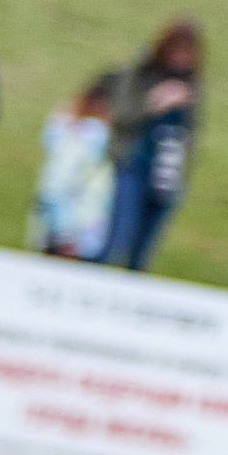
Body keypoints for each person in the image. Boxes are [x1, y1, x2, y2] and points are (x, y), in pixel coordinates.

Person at [102, 21, 199, 271]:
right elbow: (121, 117)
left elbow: (191, 136)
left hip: (167, 174)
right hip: (133, 165)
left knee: (142, 252)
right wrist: (154, 104)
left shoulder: (192, 86)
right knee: (116, 238)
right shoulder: (142, 75)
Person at [30, 74, 117, 260]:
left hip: (59, 224)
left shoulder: (65, 133)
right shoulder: (89, 139)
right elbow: (62, 184)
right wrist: (66, 232)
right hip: (73, 228)